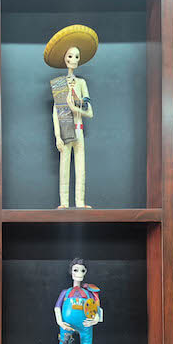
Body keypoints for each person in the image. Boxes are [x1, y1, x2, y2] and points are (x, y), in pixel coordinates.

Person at [44, 25, 99, 208]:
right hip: (65, 131)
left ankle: (80, 202)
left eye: (76, 56)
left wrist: (75, 108)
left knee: (81, 168)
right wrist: (57, 136)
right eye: (70, 56)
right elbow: (55, 112)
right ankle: (64, 203)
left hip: (79, 130)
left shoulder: (81, 83)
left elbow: (90, 112)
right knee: (64, 167)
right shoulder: (59, 85)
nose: (73, 60)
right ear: (64, 58)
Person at [53, 258, 103, 344]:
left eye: (82, 270)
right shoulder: (65, 292)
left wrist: (95, 319)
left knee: (86, 339)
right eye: (76, 270)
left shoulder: (89, 293)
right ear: (71, 272)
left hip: (85, 323)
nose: (79, 273)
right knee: (64, 340)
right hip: (67, 324)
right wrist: (60, 322)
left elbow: (95, 307)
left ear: (85, 272)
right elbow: (57, 307)